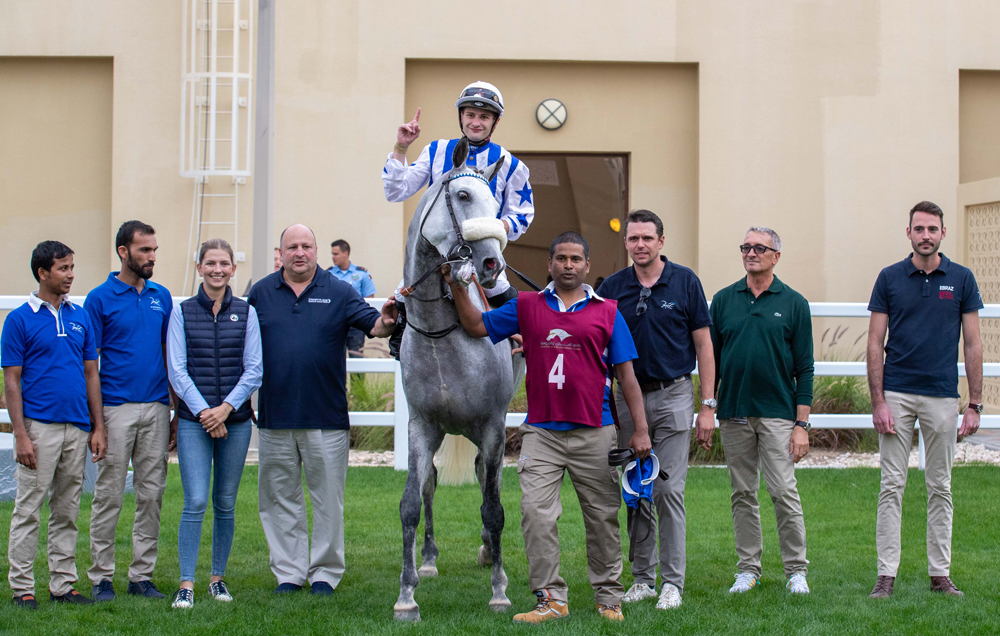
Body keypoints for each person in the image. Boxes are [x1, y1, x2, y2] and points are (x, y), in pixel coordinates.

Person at [447, 231, 652, 624]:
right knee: (536, 516)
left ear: (587, 265)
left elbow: (627, 378)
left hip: (595, 430)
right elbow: (475, 325)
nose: (568, 265)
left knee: (602, 519)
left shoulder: (608, 310)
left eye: (576, 259)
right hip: (541, 433)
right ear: (550, 264)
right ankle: (551, 599)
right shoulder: (526, 306)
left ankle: (609, 598)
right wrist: (456, 284)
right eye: (561, 258)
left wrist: (639, 431)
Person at [247, 224, 397, 595]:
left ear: (316, 251)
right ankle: (288, 573)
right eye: (292, 246)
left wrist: (389, 318)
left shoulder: (339, 291)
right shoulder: (261, 293)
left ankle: (324, 574)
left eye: (307, 246)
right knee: (279, 499)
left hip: (326, 416)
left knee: (328, 500)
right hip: (275, 415)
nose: (300, 252)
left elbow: (374, 325)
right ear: (280, 252)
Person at [597, 209, 716, 610]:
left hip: (675, 395)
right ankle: (643, 579)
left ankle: (672, 583)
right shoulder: (613, 288)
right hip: (628, 401)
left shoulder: (685, 282)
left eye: (647, 238)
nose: (640, 245)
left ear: (661, 241)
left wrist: (707, 405)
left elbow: (704, 346)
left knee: (667, 489)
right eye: (633, 239)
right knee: (637, 490)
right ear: (626, 242)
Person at [866, 201, 982, 599]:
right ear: (909, 233)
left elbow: (973, 344)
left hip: (942, 397)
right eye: (919, 229)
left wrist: (975, 403)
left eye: (933, 229)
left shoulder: (962, 279)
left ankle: (940, 574)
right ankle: (886, 574)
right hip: (896, 394)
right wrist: (878, 401)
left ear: (943, 233)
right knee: (891, 485)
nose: (926, 236)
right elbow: (874, 342)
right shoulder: (889, 278)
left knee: (941, 486)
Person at [382, 81, 534, 355]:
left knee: (513, 303)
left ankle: (528, 348)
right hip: (434, 256)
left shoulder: (511, 164)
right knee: (402, 297)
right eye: (470, 115)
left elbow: (523, 216)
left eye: (484, 117)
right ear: (461, 117)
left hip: (480, 258)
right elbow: (396, 191)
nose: (476, 122)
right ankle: (401, 347)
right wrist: (401, 148)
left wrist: (494, 226)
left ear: (495, 122)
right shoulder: (436, 151)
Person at [3, 241, 108, 609]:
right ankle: (22, 588)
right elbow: (12, 381)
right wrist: (20, 434)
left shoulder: (80, 317)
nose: (71, 275)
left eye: (72, 267)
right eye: (63, 268)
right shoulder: (19, 319)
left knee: (67, 511)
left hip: (77, 428)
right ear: (43, 273)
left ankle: (63, 585)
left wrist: (98, 427)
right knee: (29, 509)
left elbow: (91, 374)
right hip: (39, 429)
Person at [710, 226, 813, 595]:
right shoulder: (723, 301)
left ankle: (796, 570)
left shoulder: (794, 302)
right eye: (746, 247)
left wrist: (802, 424)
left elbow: (805, 368)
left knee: (783, 490)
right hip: (734, 411)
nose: (751, 253)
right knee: (742, 493)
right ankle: (748, 569)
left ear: (776, 256)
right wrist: (709, 408)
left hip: (778, 414)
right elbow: (713, 363)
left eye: (759, 248)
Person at [166, 239, 263, 609]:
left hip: (235, 422)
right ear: (199, 267)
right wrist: (207, 413)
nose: (217, 269)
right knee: (194, 500)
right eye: (210, 263)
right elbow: (178, 368)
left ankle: (217, 578)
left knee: (224, 502)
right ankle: (186, 582)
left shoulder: (246, 311)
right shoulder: (182, 311)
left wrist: (225, 409)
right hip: (194, 422)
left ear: (233, 269)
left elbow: (254, 368)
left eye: (224, 263)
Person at [85, 220, 175, 601]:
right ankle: (101, 577)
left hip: (156, 407)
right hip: (115, 409)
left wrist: (174, 410)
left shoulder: (162, 296)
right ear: (124, 252)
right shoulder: (99, 298)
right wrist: (97, 424)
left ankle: (142, 576)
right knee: (108, 494)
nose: (151, 256)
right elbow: (89, 363)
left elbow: (172, 355)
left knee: (151, 494)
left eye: (154, 250)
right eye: (144, 250)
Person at [328, 239, 376, 357]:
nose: (333, 257)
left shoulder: (361, 273)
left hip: (356, 324)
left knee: (357, 357)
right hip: (335, 323)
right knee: (334, 358)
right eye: (332, 254)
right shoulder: (328, 274)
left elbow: (369, 298)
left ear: (345, 254)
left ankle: (357, 377)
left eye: (336, 254)